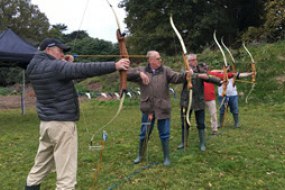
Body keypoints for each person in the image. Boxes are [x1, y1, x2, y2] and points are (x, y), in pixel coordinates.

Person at [25, 38, 130, 190]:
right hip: (62, 125)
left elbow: (64, 71)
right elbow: (83, 69)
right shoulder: (56, 67)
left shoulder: (33, 67)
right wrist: (115, 65)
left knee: (39, 167)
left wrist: (65, 60)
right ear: (48, 50)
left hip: (46, 125)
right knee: (66, 179)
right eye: (60, 51)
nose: (62, 54)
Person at [127, 50, 189, 166]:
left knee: (165, 133)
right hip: (148, 109)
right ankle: (140, 155)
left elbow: (176, 78)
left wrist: (186, 75)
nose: (160, 60)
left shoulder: (165, 70)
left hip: (162, 108)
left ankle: (166, 157)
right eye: (158, 58)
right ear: (150, 60)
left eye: (160, 58)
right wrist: (139, 74)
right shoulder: (141, 70)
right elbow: (126, 74)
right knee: (144, 133)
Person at [178, 53, 221, 151]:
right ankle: (183, 142)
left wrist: (219, 81)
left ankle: (202, 143)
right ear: (187, 61)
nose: (194, 61)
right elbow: (181, 76)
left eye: (195, 59)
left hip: (199, 100)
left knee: (201, 123)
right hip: (186, 101)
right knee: (185, 123)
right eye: (192, 60)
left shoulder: (201, 68)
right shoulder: (184, 70)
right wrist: (193, 74)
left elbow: (208, 76)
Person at [204, 67, 235, 135]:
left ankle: (214, 130)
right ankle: (201, 129)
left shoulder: (211, 74)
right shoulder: (198, 75)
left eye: (206, 68)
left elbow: (226, 75)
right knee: (200, 115)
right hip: (200, 98)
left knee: (213, 115)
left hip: (211, 98)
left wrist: (235, 74)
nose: (205, 69)